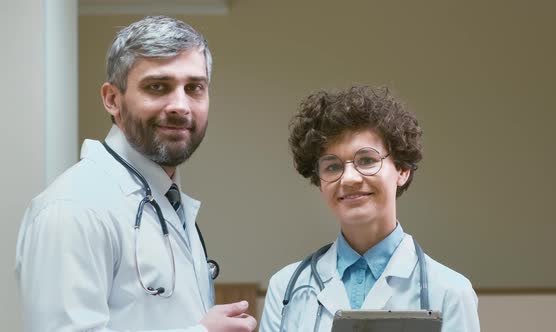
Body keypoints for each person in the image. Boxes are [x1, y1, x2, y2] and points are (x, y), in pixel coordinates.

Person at [15, 16, 256, 332]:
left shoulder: (165, 201)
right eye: (158, 87)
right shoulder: (71, 209)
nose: (180, 105)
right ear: (112, 100)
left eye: (195, 87)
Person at [259, 86, 480, 331]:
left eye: (367, 160)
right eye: (332, 166)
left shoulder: (451, 293)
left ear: (403, 169)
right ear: (319, 181)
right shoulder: (286, 288)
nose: (349, 178)